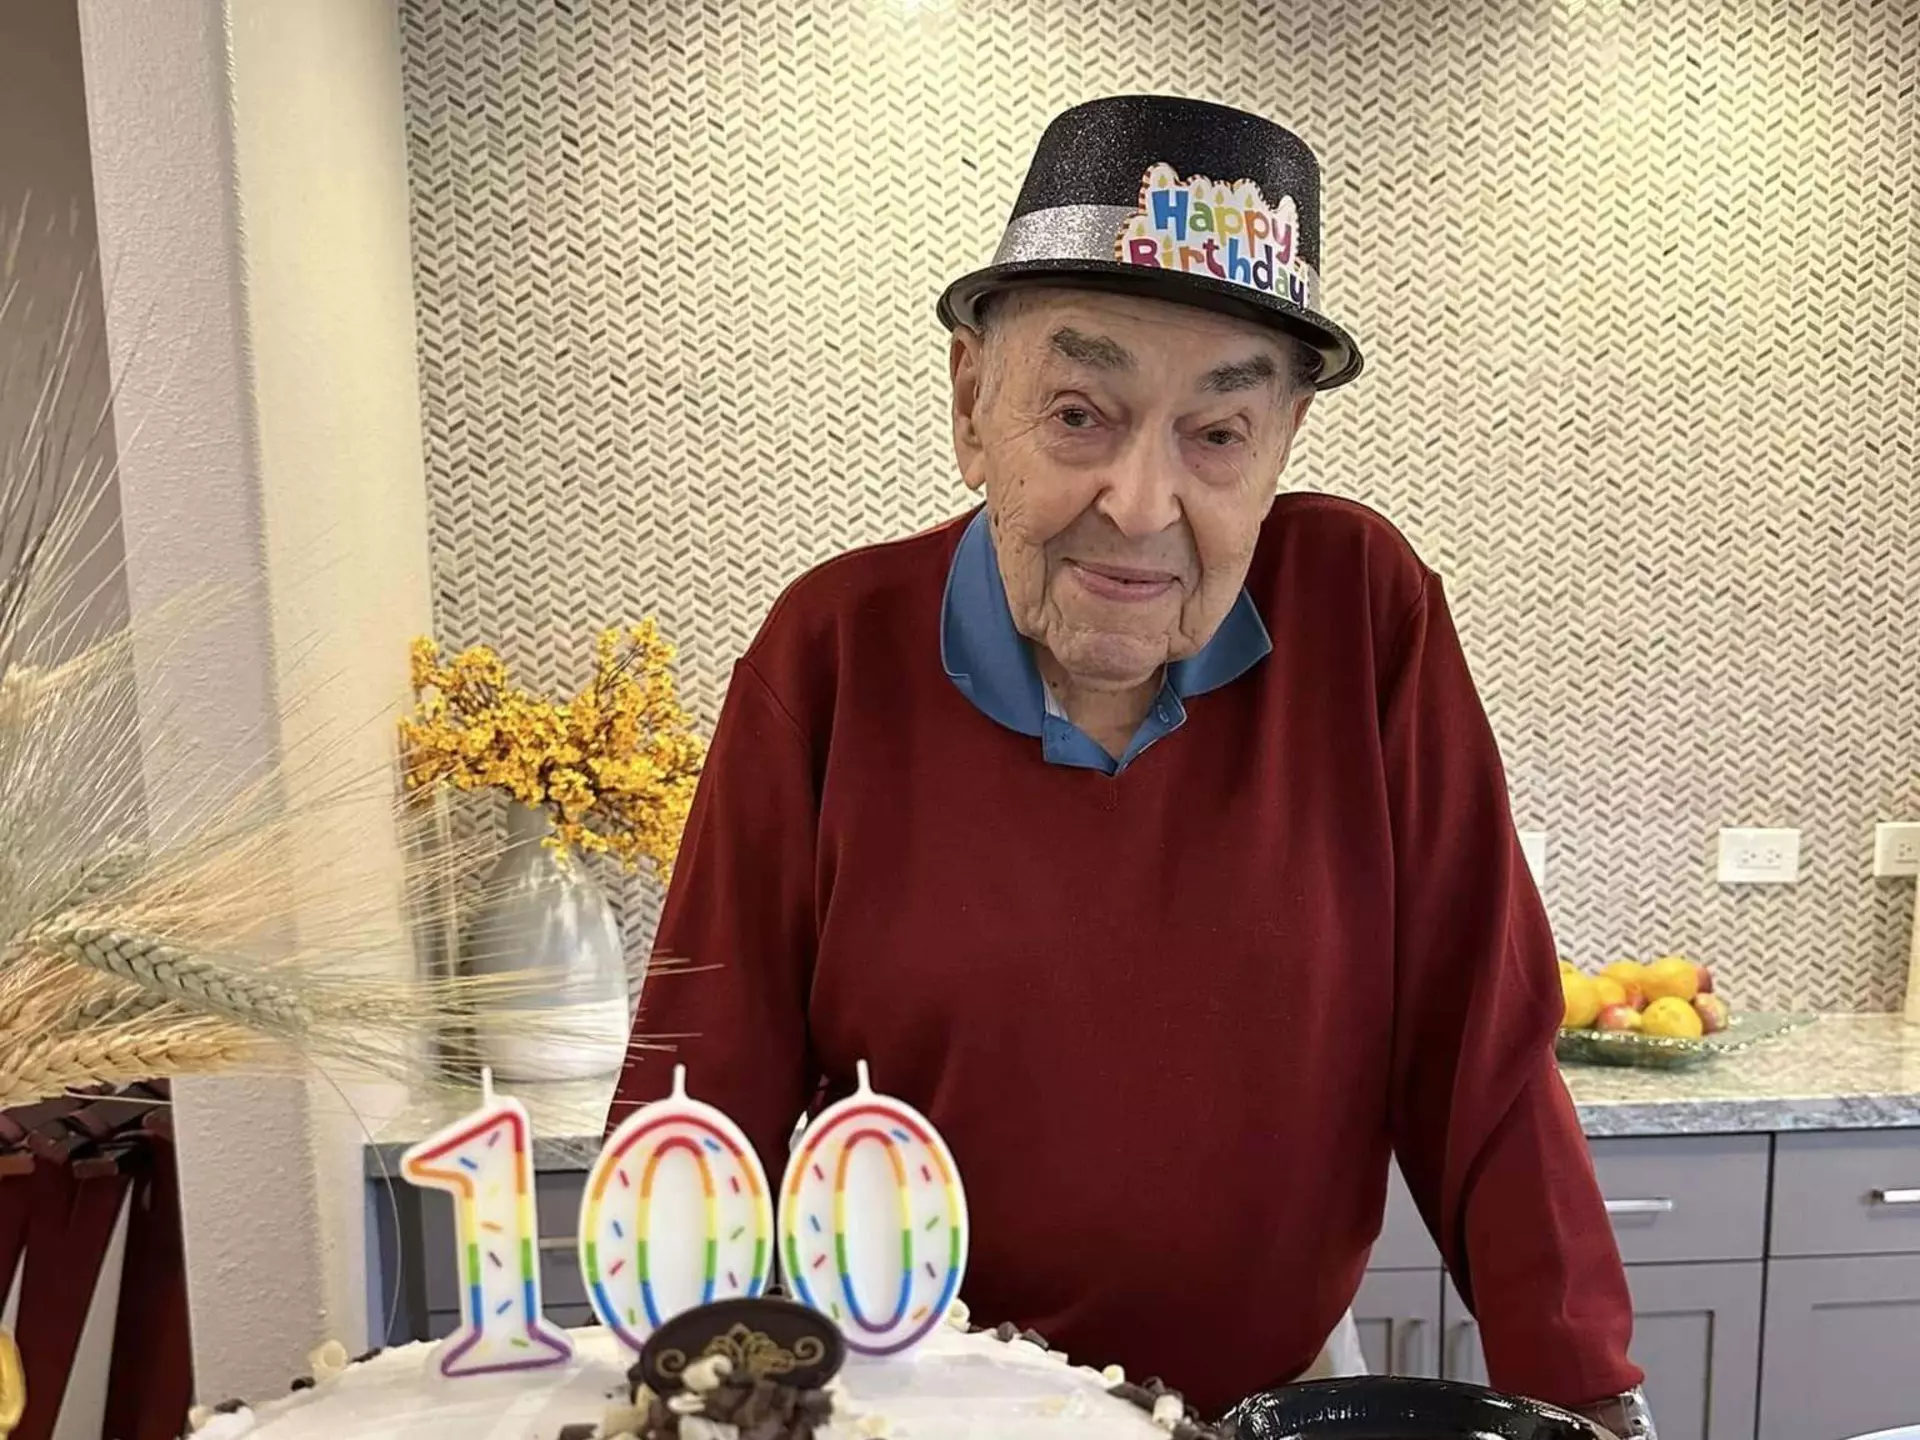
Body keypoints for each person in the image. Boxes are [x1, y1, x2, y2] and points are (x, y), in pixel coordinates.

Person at [610, 95, 1655, 1439]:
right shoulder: (832, 650)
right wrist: (686, 1393)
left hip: (1265, 1406)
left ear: (1280, 448)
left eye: (1217, 435)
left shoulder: (1365, 614)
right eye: (1081, 414)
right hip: (911, 1411)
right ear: (973, 404)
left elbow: (1482, 1053)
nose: (1142, 506)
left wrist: (1585, 1395)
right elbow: (707, 1085)